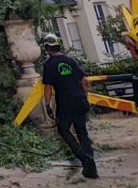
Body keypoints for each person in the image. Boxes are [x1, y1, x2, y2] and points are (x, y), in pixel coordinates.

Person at [41, 33, 98, 179]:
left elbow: (47, 87)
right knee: (82, 132)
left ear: (46, 48)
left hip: (66, 103)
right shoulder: (70, 61)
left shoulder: (48, 65)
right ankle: (91, 168)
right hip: (79, 100)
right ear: (59, 45)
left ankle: (83, 157)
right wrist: (84, 97)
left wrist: (47, 105)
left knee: (63, 130)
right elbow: (84, 81)